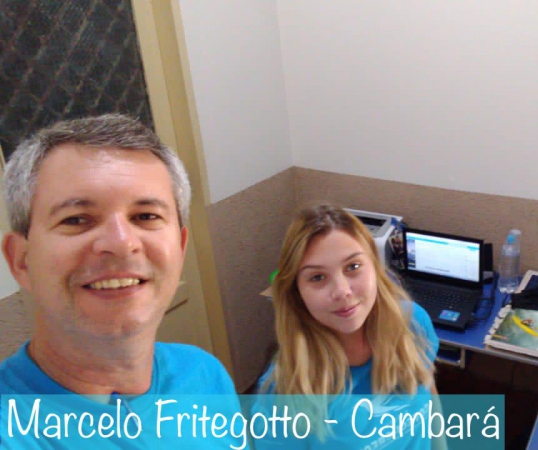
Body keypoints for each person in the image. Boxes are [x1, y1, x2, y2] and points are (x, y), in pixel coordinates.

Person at [0, 114, 241, 448]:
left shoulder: (204, 375)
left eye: (146, 216)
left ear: (180, 248)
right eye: (77, 219)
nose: (121, 242)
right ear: (21, 260)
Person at [252, 204, 440, 449]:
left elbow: (429, 394)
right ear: (297, 293)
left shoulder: (413, 323)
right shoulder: (282, 393)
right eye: (318, 277)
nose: (342, 291)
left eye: (353, 267)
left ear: (375, 267)